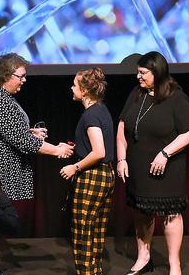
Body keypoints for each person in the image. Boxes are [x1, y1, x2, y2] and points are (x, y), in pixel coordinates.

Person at [0, 54, 75, 206]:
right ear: (7, 76)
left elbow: (4, 131)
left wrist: (29, 132)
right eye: (21, 76)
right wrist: (58, 150)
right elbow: (24, 142)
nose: (24, 80)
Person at [116, 52, 189, 275]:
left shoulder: (176, 97)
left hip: (167, 167)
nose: (138, 77)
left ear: (157, 72)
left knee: (170, 214)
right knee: (142, 212)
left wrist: (165, 153)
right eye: (138, 72)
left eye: (143, 73)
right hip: (138, 165)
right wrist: (121, 158)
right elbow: (122, 128)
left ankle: (174, 264)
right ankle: (144, 257)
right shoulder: (136, 94)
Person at [61, 68, 116, 275]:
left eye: (75, 85)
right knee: (96, 230)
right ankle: (94, 271)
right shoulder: (101, 109)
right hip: (105, 176)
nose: (72, 88)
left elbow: (99, 151)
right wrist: (76, 148)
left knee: (83, 231)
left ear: (84, 91)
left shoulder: (90, 115)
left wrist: (74, 167)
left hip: (92, 176)